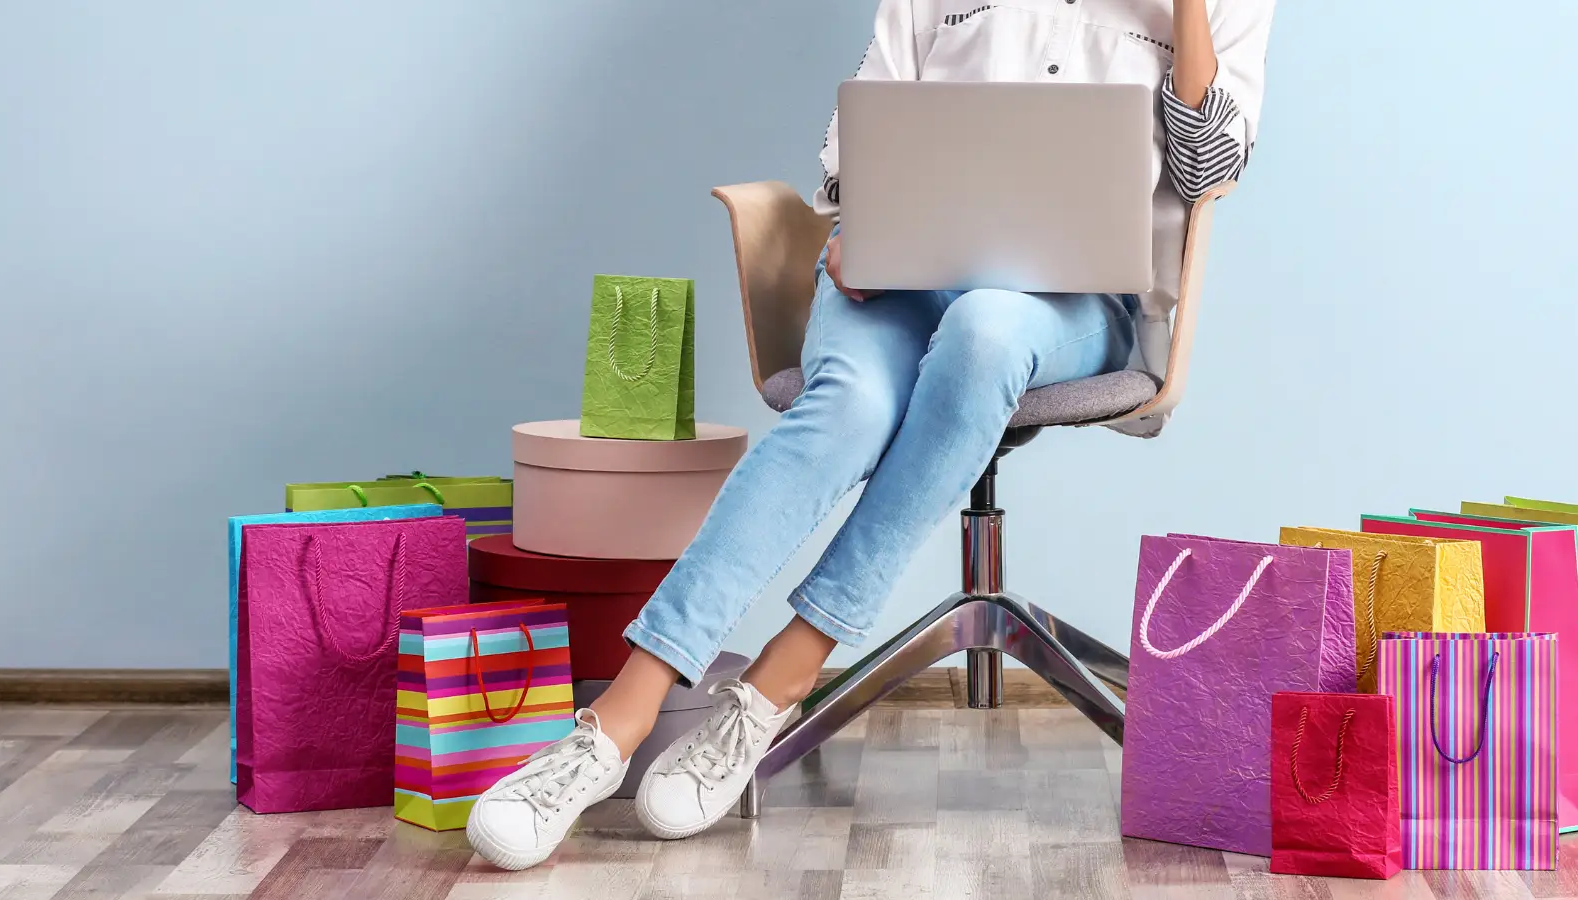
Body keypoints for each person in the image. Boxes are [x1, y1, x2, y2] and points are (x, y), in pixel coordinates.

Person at [466, 0, 1274, 870]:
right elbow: (871, 111)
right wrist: (860, 219)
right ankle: (616, 722)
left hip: (1075, 303)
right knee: (843, 410)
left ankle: (781, 675)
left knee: (986, 331)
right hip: (904, 266)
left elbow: (1205, 170)